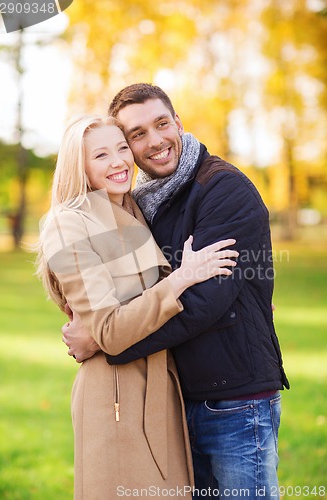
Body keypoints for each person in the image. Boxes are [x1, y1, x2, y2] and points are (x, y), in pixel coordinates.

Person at [63, 84, 290, 500]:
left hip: (236, 401)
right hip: (180, 398)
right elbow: (119, 294)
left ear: (179, 124)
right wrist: (99, 324)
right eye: (137, 134)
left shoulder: (224, 189)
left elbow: (205, 302)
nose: (155, 141)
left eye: (161, 124)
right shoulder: (142, 203)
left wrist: (104, 341)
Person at [37, 114, 239, 500]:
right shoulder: (68, 223)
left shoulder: (135, 210)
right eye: (100, 155)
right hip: (116, 397)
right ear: (78, 166)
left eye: (121, 148)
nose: (118, 162)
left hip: (164, 388)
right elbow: (110, 332)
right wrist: (183, 277)